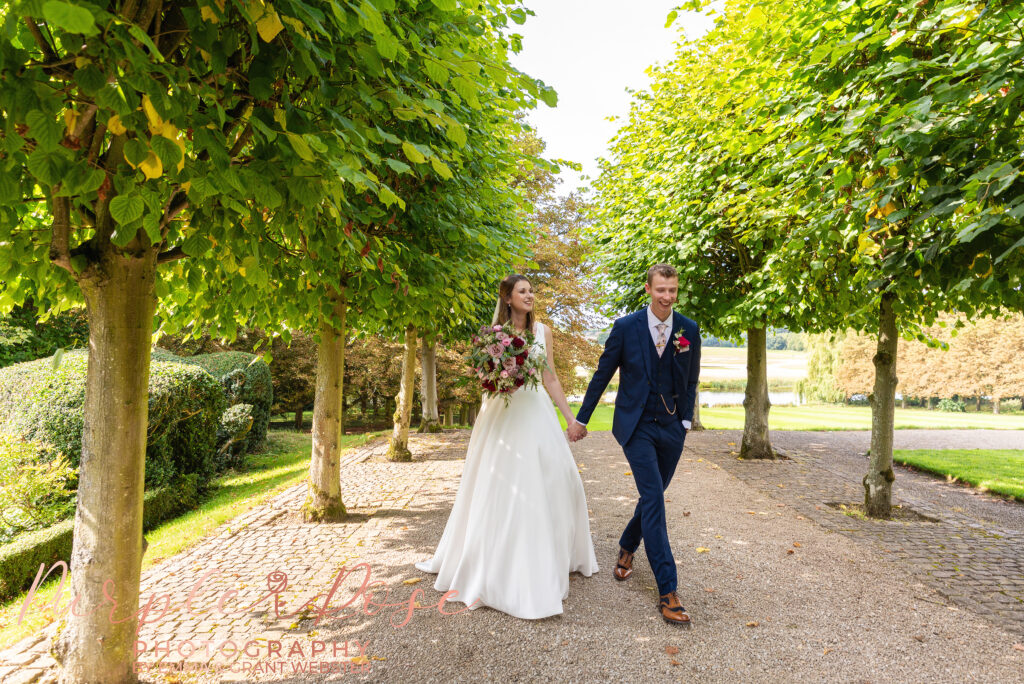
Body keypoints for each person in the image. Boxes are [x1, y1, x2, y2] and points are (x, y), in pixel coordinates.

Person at [415, 274, 599, 619]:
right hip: (503, 413)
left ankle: (557, 555)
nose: (530, 296)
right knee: (503, 485)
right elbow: (486, 379)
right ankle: (502, 565)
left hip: (537, 411)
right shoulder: (494, 335)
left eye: (532, 291)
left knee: (561, 478)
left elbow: (550, 377)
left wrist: (570, 419)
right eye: (523, 291)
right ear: (508, 297)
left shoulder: (543, 332)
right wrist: (501, 378)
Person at [569, 264, 701, 627]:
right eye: (661, 290)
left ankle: (627, 545)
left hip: (672, 427)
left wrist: (685, 421)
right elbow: (602, 374)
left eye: (673, 290)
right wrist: (582, 418)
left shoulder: (689, 329)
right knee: (656, 498)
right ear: (648, 289)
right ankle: (668, 590)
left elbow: (691, 380)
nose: (667, 297)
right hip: (636, 426)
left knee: (650, 497)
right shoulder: (626, 328)